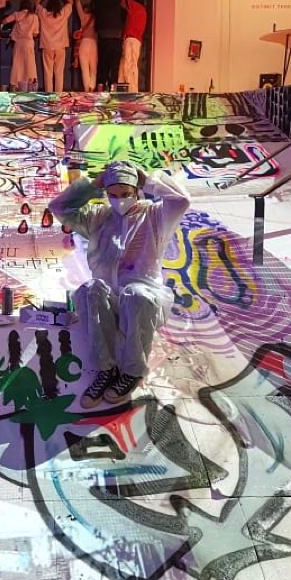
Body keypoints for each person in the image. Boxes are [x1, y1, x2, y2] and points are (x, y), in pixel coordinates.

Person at [49, 161, 190, 408]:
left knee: (135, 294)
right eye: (112, 195)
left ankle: (132, 372)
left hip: (144, 297)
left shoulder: (155, 215)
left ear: (136, 191)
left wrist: (148, 181)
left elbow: (181, 201)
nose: (119, 201)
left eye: (125, 194)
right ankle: (106, 370)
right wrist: (93, 185)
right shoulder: (98, 217)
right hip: (110, 298)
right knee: (91, 289)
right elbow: (58, 207)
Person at [90, 0, 126, 89]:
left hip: (104, 36)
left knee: (103, 66)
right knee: (114, 67)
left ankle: (100, 89)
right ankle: (113, 89)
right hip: (116, 36)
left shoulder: (100, 0)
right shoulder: (116, 0)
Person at [34, 0, 73, 92]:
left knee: (48, 73)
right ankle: (58, 95)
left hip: (47, 46)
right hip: (60, 47)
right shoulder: (63, 14)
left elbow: (36, 3)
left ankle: (49, 95)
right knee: (59, 73)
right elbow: (71, 2)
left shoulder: (44, 14)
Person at [2, 0, 40, 92]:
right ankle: (30, 86)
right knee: (29, 65)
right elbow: (35, 33)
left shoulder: (17, 14)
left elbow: (5, 21)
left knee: (17, 65)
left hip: (18, 44)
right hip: (29, 43)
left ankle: (15, 86)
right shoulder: (34, 17)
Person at [115, 0, 147, 91]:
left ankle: (127, 88)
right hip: (137, 41)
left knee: (127, 63)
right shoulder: (143, 12)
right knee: (133, 64)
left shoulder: (135, 6)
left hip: (130, 39)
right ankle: (132, 88)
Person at [73, 0, 98, 93]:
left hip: (84, 43)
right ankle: (92, 87)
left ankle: (87, 89)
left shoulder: (83, 17)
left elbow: (77, 3)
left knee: (84, 68)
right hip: (94, 43)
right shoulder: (96, 18)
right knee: (93, 68)